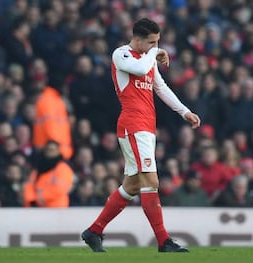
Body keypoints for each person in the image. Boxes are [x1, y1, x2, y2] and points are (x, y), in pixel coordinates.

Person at [81, 18, 200, 253]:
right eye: (152, 42)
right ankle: (164, 241)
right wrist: (156, 52)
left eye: (158, 42)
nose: (155, 46)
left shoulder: (148, 59)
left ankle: (94, 231)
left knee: (133, 185)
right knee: (151, 181)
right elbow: (140, 69)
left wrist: (184, 111)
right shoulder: (121, 55)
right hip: (133, 125)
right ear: (137, 39)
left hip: (147, 127)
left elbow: (160, 87)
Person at [23, 140, 74, 207]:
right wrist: (31, 200)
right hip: (38, 208)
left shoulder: (63, 168)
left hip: (57, 208)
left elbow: (60, 189)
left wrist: (38, 198)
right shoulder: (39, 168)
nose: (50, 152)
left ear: (58, 151)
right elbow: (29, 185)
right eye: (48, 149)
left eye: (52, 150)